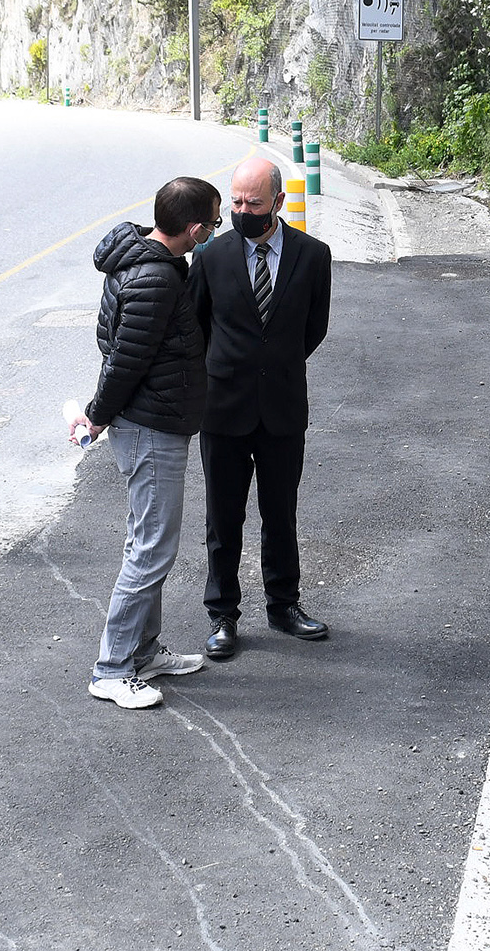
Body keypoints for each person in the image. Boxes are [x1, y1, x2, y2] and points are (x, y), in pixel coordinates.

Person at [73, 177, 224, 710]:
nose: (215, 230)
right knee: (150, 549)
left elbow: (110, 340)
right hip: (150, 429)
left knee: (149, 543)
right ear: (194, 228)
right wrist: (96, 415)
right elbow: (124, 360)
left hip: (153, 423)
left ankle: (143, 652)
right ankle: (111, 668)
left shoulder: (140, 262)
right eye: (214, 221)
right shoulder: (157, 279)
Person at [190, 156, 334, 660]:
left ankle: (283, 605)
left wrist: (275, 365)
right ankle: (222, 615)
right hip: (223, 409)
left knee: (281, 512)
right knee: (222, 519)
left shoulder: (314, 256)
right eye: (235, 201)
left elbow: (312, 329)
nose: (241, 210)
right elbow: (198, 325)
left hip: (282, 409)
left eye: (252, 202)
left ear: (278, 202)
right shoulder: (210, 256)